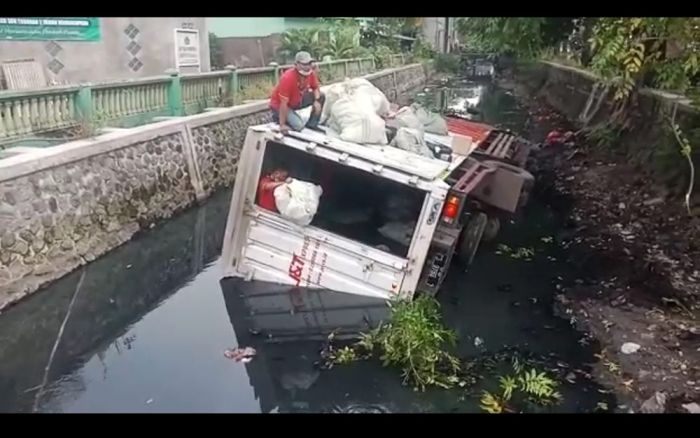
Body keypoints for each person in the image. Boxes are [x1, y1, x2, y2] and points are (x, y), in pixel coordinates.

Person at [269, 51, 326, 134]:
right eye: (304, 64)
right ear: (296, 65)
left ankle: (312, 124)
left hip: (297, 100)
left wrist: (316, 101)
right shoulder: (287, 78)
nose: (307, 67)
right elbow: (283, 103)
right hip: (281, 105)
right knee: (299, 126)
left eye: (309, 64)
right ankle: (278, 118)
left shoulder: (310, 74)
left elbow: (315, 88)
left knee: (321, 96)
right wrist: (282, 125)